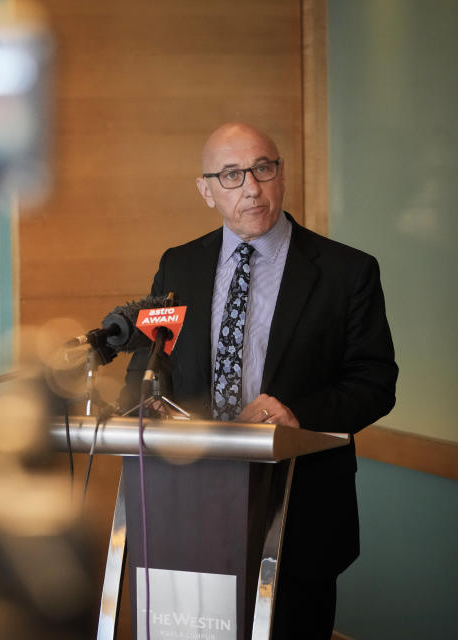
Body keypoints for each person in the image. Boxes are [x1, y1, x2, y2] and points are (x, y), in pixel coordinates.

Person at [121, 122, 398, 639]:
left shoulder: (346, 271)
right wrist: (144, 404)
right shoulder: (178, 265)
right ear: (205, 190)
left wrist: (299, 417)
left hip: (300, 512)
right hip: (187, 505)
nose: (252, 187)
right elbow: (148, 366)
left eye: (263, 169)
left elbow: (376, 380)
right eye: (231, 175)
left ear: (282, 174)